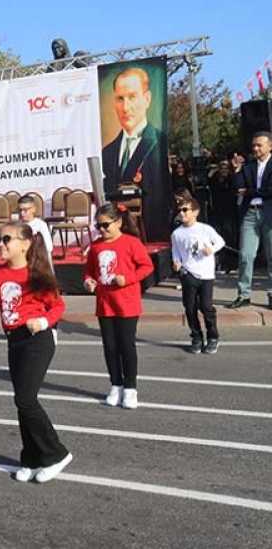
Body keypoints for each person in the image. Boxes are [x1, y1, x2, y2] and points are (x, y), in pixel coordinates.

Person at [0, 222, 72, 484]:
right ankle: (31, 458)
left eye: (6, 239)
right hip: (14, 340)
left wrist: (43, 322)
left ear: (25, 243)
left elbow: (57, 307)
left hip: (37, 338)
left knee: (26, 399)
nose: (0, 244)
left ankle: (56, 453)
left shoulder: (37, 274)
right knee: (21, 402)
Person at [82, 203, 154, 409]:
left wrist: (128, 279)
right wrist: (89, 281)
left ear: (119, 222)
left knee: (126, 346)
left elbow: (147, 266)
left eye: (106, 225)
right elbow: (89, 271)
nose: (102, 230)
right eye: (98, 226)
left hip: (127, 303)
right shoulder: (95, 246)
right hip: (105, 304)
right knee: (110, 347)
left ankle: (130, 388)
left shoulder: (131, 243)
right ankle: (116, 384)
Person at [101, 67, 170, 239]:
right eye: (120, 99)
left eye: (132, 97)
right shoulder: (107, 152)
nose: (126, 107)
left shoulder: (160, 142)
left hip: (152, 229)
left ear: (147, 99)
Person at [172, 198, 225, 354]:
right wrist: (176, 262)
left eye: (185, 210)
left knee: (206, 307)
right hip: (188, 273)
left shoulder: (205, 229)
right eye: (180, 210)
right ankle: (196, 337)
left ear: (195, 212)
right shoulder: (177, 233)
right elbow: (175, 250)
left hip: (206, 274)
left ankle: (213, 336)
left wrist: (212, 249)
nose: (181, 213)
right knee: (190, 307)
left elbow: (220, 242)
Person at [228, 132, 272, 309]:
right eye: (254, 145)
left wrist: (250, 191)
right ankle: (243, 294)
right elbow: (238, 187)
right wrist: (237, 170)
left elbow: (270, 190)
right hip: (250, 213)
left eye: (259, 145)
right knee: (246, 255)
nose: (255, 148)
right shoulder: (249, 166)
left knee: (271, 256)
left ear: (270, 146)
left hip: (269, 213)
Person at [18, 195, 53, 262]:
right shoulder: (17, 226)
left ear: (33, 209)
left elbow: (49, 247)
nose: (22, 213)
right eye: (20, 210)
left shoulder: (41, 225)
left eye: (25, 210)